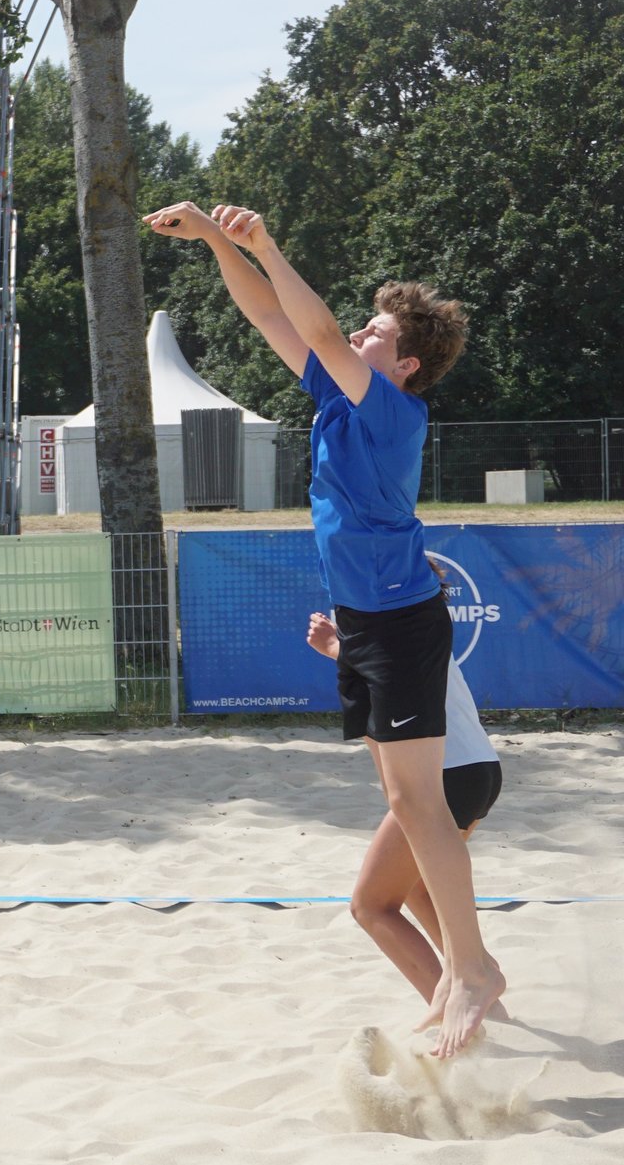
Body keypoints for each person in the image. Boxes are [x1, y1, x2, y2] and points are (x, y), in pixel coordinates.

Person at [146, 198, 499, 1057]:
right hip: (365, 622)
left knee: (421, 804)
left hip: (401, 618)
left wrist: (267, 242)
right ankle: (464, 975)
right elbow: (270, 315)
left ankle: (473, 968)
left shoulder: (393, 410)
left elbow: (316, 326)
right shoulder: (340, 397)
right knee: (404, 803)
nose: (359, 333)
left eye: (377, 331)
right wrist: (215, 243)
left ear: (404, 363)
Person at [306, 609, 503, 1013]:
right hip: (475, 768)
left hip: (447, 775)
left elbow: (389, 668)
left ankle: (466, 1008)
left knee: (371, 906)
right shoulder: (409, 620)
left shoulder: (386, 626)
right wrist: (339, 649)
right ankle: (479, 983)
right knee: (414, 887)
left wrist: (335, 647)